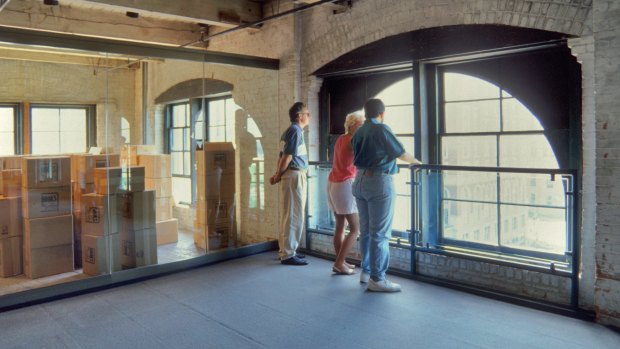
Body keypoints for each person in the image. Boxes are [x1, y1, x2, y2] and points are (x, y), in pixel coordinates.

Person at [352, 98, 422, 292]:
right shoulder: (381, 129)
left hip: (358, 181)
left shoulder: (358, 131)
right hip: (378, 182)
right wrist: (417, 162)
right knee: (380, 233)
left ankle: (366, 272)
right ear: (382, 113)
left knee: (366, 231)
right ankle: (378, 278)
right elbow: (400, 152)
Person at [270, 102, 311, 265]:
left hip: (291, 175)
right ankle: (288, 254)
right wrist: (278, 175)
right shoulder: (295, 131)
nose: (309, 116)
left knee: (290, 214)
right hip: (294, 175)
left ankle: (286, 250)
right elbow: (286, 157)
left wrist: (277, 174)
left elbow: (282, 156)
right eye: (307, 113)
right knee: (294, 215)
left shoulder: (293, 131)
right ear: (299, 116)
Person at [327, 113, 364, 275]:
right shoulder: (352, 141)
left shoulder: (341, 138)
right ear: (352, 125)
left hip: (333, 183)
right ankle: (339, 263)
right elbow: (362, 160)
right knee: (356, 229)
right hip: (345, 184)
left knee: (341, 226)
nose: (363, 128)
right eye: (361, 125)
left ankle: (340, 262)